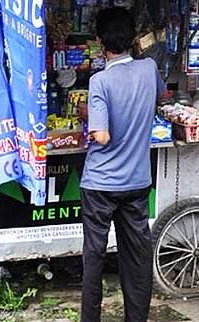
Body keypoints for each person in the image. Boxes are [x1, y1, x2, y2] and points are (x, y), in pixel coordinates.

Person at [79, 7, 165, 322]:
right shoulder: (149, 69)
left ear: (101, 42)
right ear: (132, 39)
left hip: (100, 185)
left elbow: (101, 136)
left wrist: (88, 116)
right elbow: (159, 96)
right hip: (137, 181)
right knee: (137, 259)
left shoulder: (100, 81)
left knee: (94, 258)